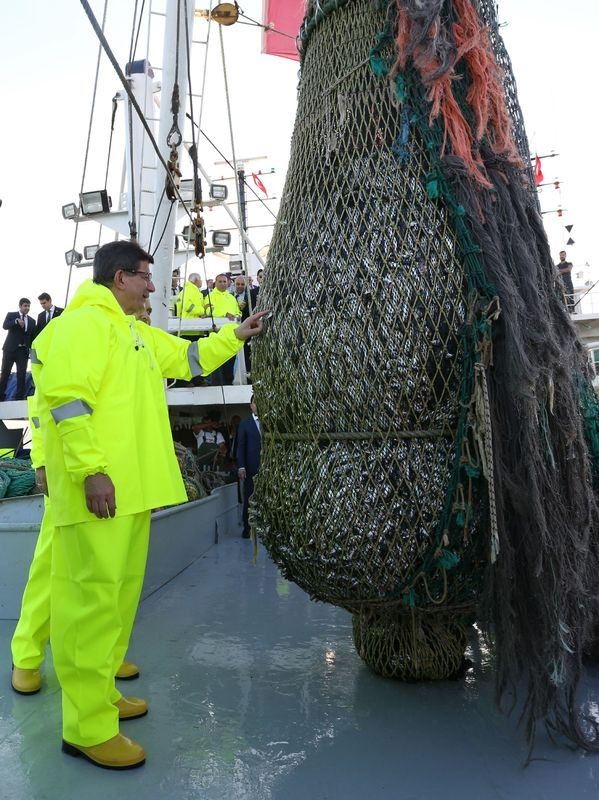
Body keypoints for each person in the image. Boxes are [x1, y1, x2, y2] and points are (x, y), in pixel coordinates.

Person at [26, 240, 267, 770]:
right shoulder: (83, 327)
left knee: (116, 604)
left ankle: (102, 696)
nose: (153, 287)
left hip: (129, 495)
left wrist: (237, 334)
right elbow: (66, 403)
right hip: (100, 494)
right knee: (90, 607)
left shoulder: (130, 332)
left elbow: (187, 357)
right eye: (145, 277)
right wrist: (92, 471)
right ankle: (86, 728)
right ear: (118, 278)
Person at [204, 274, 242, 384]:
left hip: (231, 334)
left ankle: (229, 383)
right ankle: (217, 385)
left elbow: (237, 311)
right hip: (217, 334)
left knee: (230, 361)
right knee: (217, 363)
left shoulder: (231, 297)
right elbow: (208, 311)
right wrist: (224, 314)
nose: (222, 283)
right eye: (220, 281)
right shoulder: (210, 296)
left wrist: (238, 315)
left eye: (224, 281)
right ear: (215, 283)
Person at [236, 395, 262, 539]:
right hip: (251, 468)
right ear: (250, 405)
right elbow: (241, 446)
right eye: (255, 402)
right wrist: (241, 467)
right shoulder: (245, 424)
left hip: (268, 468)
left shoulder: (270, 422)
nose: (257, 405)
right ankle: (247, 529)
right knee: (249, 499)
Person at [0, 298, 36, 401]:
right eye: (25, 306)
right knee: (5, 373)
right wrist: (16, 321)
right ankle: (1, 396)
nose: (27, 308)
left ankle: (19, 397)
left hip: (23, 351)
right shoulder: (11, 315)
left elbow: (32, 337)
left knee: (22, 375)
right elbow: (5, 326)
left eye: (28, 306)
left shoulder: (32, 321)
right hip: (10, 350)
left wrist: (31, 350)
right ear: (20, 306)